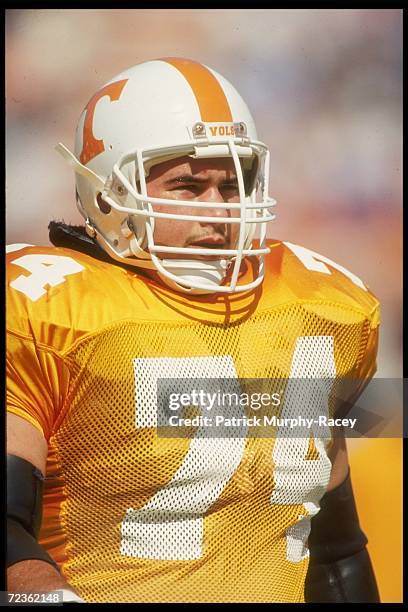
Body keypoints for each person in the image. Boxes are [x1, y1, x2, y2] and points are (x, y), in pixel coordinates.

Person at [6, 57, 380, 603]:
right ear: (107, 193)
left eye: (233, 184)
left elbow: (334, 546)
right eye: (187, 185)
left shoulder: (316, 307)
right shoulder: (49, 312)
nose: (219, 210)